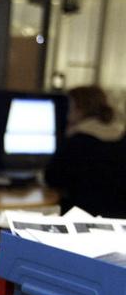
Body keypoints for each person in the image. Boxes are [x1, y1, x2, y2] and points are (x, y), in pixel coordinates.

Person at [45, 85, 126, 218]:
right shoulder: (121, 137)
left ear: (79, 109)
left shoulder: (78, 141)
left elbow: (53, 177)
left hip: (81, 217)